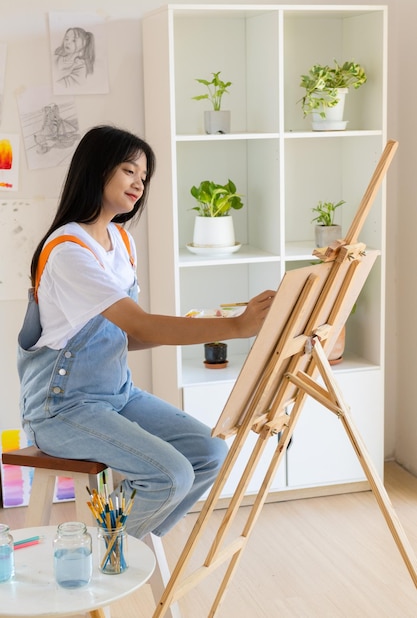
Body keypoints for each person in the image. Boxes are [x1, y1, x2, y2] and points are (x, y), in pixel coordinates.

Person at [17, 125, 275, 540]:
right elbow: (140, 322)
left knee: (209, 454)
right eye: (128, 170)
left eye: (143, 176)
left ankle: (123, 543)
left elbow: (129, 338)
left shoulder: (120, 240)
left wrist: (206, 322)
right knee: (170, 474)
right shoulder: (68, 251)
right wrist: (236, 326)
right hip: (63, 410)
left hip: (118, 396)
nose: (139, 183)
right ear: (97, 170)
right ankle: (102, 557)